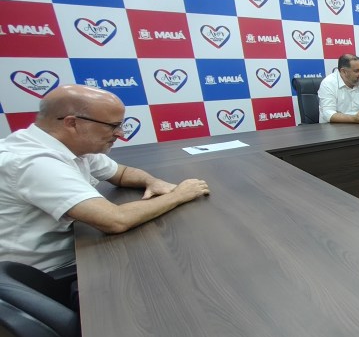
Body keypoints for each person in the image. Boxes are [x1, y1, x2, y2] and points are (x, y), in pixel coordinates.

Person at [0, 85, 210, 275]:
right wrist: (179, 195)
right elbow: (114, 220)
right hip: (49, 275)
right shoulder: (34, 162)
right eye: (113, 126)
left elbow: (122, 173)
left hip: (75, 249)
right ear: (72, 123)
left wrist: (152, 181)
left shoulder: (71, 145)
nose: (120, 133)